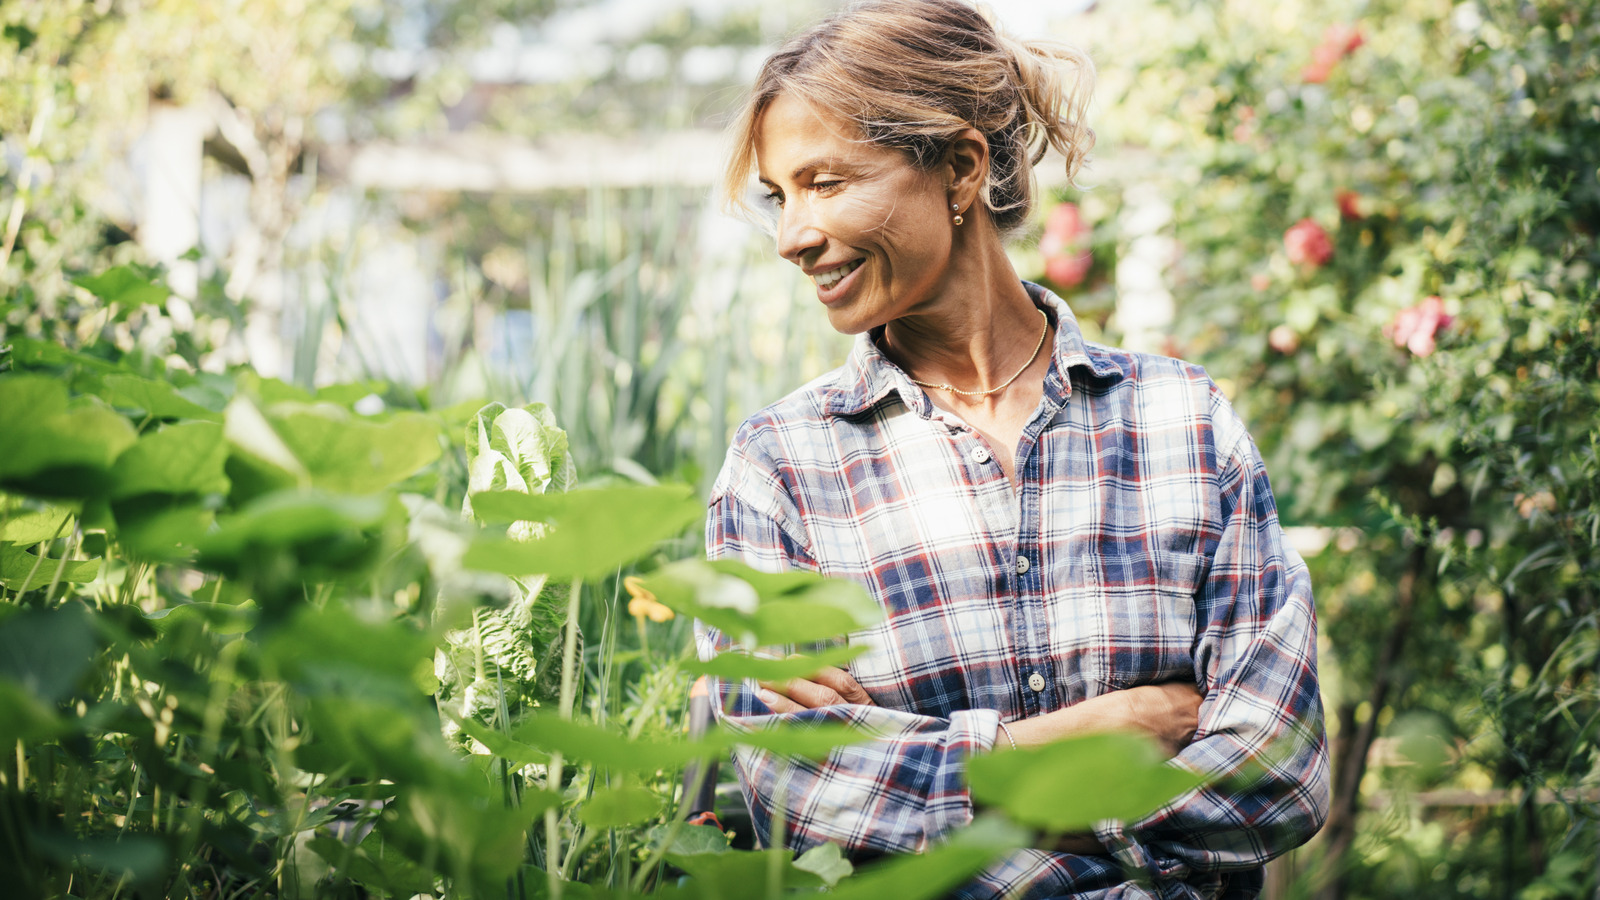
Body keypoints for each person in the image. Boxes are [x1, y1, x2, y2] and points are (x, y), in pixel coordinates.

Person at [697, 1, 1330, 897]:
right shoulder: (781, 470)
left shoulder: (1181, 423)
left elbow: (1277, 771)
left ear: (960, 168)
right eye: (779, 197)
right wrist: (1055, 748)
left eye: (826, 183)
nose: (792, 236)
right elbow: (792, 785)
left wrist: (936, 790)